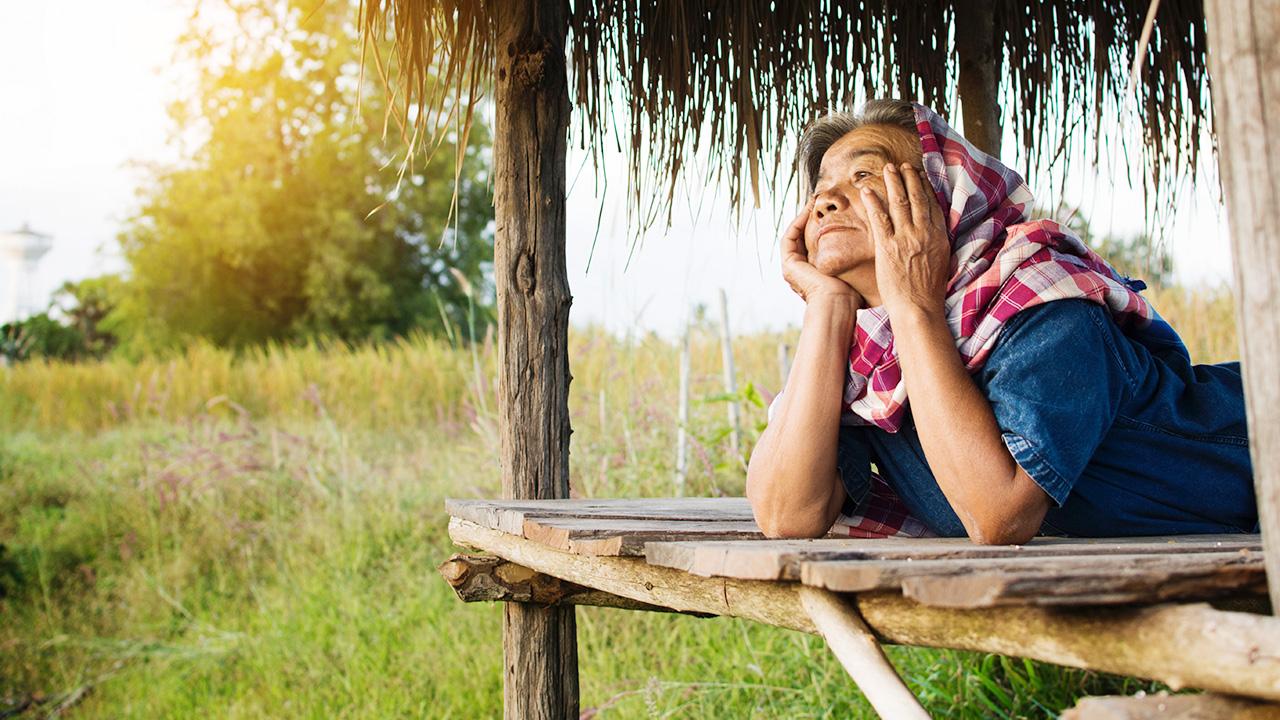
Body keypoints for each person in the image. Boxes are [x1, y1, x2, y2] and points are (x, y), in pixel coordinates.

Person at [746, 99, 1257, 544]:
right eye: (821, 188)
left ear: (946, 201)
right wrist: (827, 305)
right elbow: (787, 514)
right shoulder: (868, 367)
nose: (825, 201)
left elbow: (999, 515)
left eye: (863, 175)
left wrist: (914, 304)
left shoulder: (1043, 301)